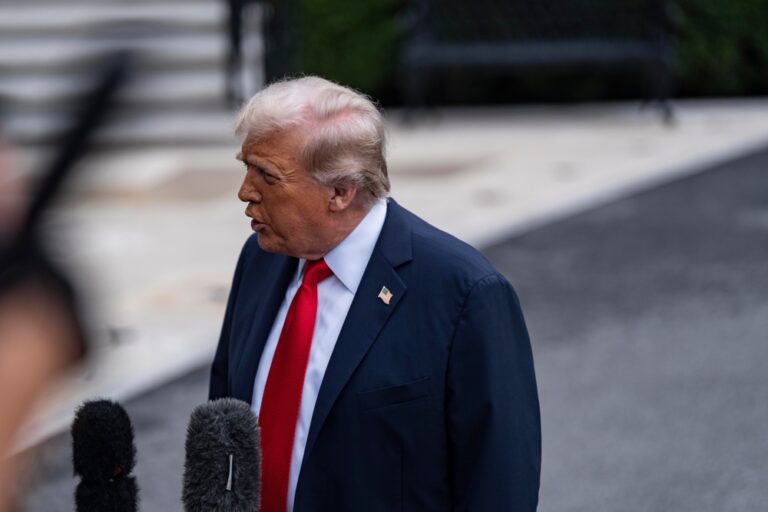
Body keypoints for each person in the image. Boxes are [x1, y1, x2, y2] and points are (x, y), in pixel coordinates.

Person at [209, 76, 541, 511]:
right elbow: (224, 422)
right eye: (246, 167)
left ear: (340, 192)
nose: (244, 192)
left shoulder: (464, 294)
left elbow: (499, 483)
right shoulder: (260, 259)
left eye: (267, 176)